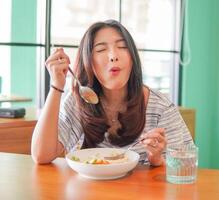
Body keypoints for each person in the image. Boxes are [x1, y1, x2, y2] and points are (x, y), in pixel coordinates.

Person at [31, 19, 193, 166]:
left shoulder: (160, 106)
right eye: (101, 49)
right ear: (89, 62)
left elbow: (186, 166)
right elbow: (41, 155)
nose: (114, 56)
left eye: (122, 47)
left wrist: (157, 161)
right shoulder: (78, 101)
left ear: (132, 58)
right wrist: (56, 86)